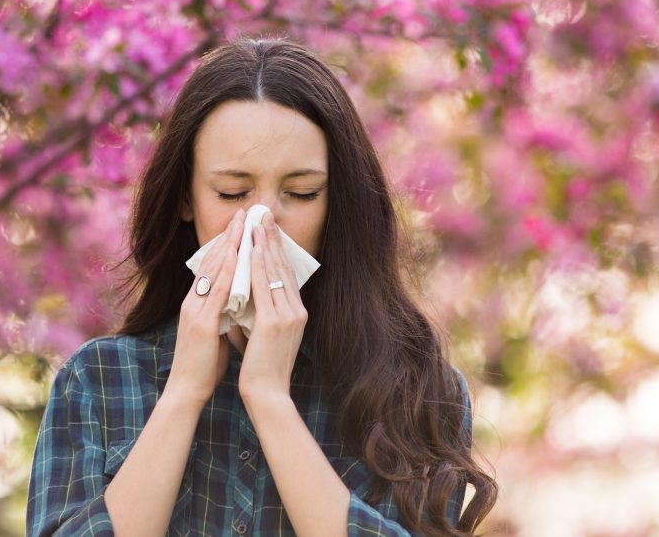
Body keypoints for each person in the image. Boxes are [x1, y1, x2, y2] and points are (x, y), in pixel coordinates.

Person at [26, 39, 498, 536]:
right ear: (186, 197)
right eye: (232, 193)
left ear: (335, 203)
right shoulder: (99, 380)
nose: (263, 221)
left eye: (301, 193)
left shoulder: (417, 392)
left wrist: (270, 399)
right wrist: (183, 393)